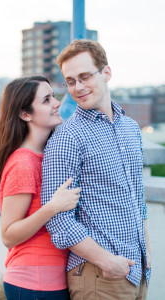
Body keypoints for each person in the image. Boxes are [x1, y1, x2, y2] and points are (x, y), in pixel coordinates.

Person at [41, 40, 151, 300]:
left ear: (107, 73)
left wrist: (145, 254)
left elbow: (138, 198)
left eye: (85, 76)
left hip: (138, 272)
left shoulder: (131, 129)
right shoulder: (68, 137)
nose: (77, 87)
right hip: (98, 276)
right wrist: (107, 262)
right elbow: (58, 219)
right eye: (70, 81)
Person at [0, 76, 81, 300]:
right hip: (33, 285)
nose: (57, 103)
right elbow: (8, 235)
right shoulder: (23, 163)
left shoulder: (48, 156)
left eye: (54, 97)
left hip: (53, 282)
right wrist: (52, 207)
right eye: (46, 100)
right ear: (25, 114)